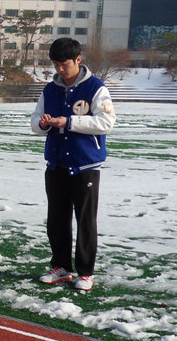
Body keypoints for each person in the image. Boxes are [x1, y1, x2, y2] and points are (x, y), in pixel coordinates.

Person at [30, 37, 115, 292]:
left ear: (78, 60)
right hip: (56, 163)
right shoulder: (50, 89)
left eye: (64, 64)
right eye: (55, 64)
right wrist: (43, 124)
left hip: (85, 165)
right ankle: (61, 267)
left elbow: (106, 122)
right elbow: (35, 121)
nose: (59, 69)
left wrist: (68, 122)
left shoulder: (95, 88)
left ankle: (86, 272)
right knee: (57, 219)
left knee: (85, 220)